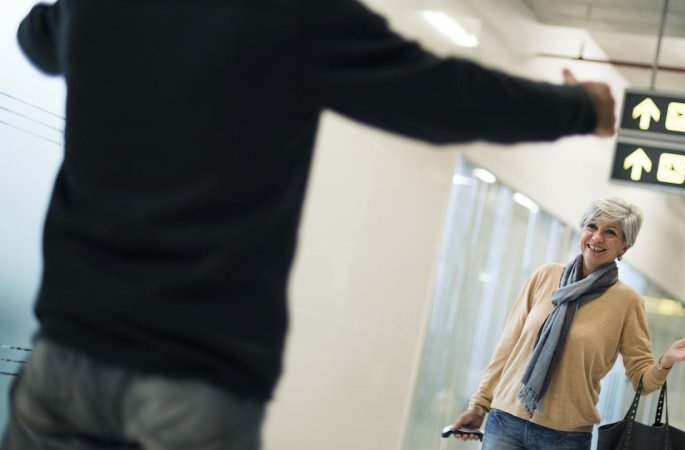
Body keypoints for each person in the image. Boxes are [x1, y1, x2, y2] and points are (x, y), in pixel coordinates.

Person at [3, 1, 616, 449]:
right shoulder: (291, 17)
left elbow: (36, 35)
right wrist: (578, 107)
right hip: (194, 377)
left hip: (65, 357)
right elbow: (443, 96)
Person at [448, 197, 685, 450]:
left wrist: (665, 361)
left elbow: (641, 381)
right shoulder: (545, 277)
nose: (597, 237)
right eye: (592, 226)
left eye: (611, 232)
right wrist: (479, 405)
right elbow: (507, 347)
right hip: (505, 421)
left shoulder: (627, 302)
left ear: (625, 246)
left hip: (565, 437)